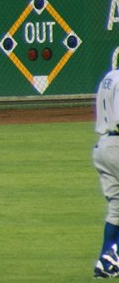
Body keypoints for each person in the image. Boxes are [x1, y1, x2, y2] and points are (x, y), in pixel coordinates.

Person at [94, 68, 119, 278]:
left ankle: (104, 263)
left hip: (103, 147)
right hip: (118, 147)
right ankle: (113, 258)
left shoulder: (109, 78)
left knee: (116, 210)